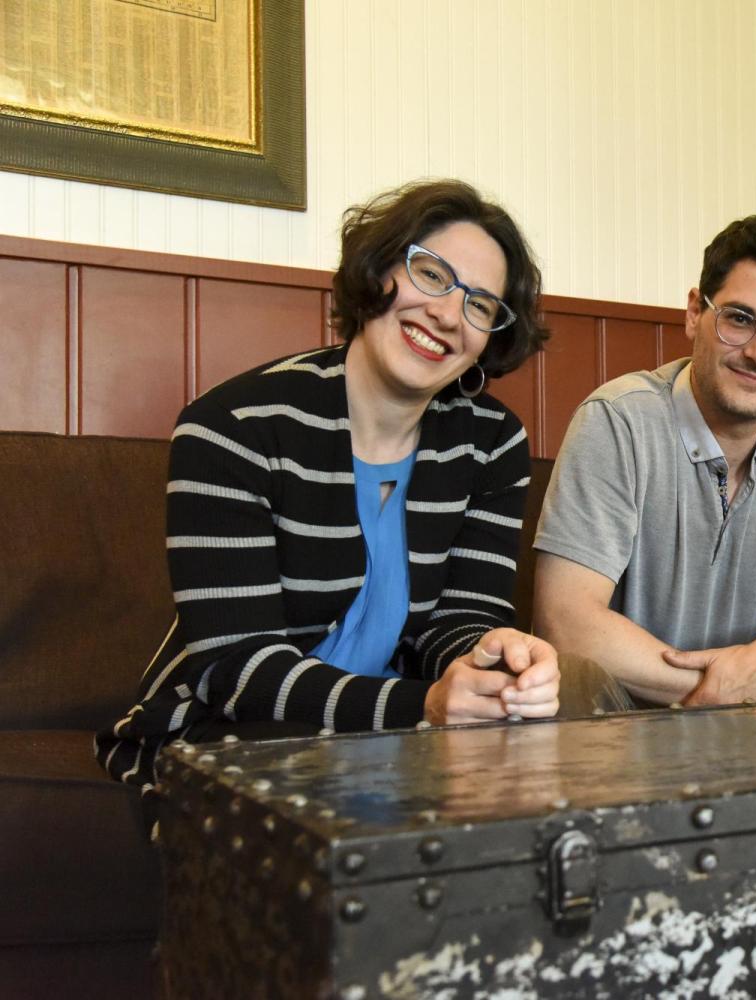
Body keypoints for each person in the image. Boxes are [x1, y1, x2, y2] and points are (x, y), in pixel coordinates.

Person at [97, 179, 562, 791]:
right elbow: (238, 670)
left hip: (392, 753)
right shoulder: (233, 428)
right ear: (378, 271)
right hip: (222, 743)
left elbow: (461, 620)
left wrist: (489, 655)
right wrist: (423, 707)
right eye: (430, 274)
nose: (448, 313)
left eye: (479, 304)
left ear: (488, 341)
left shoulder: (491, 446)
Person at [531, 214, 756, 707]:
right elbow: (566, 623)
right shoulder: (617, 420)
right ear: (694, 313)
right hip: (621, 733)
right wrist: (731, 688)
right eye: (739, 319)